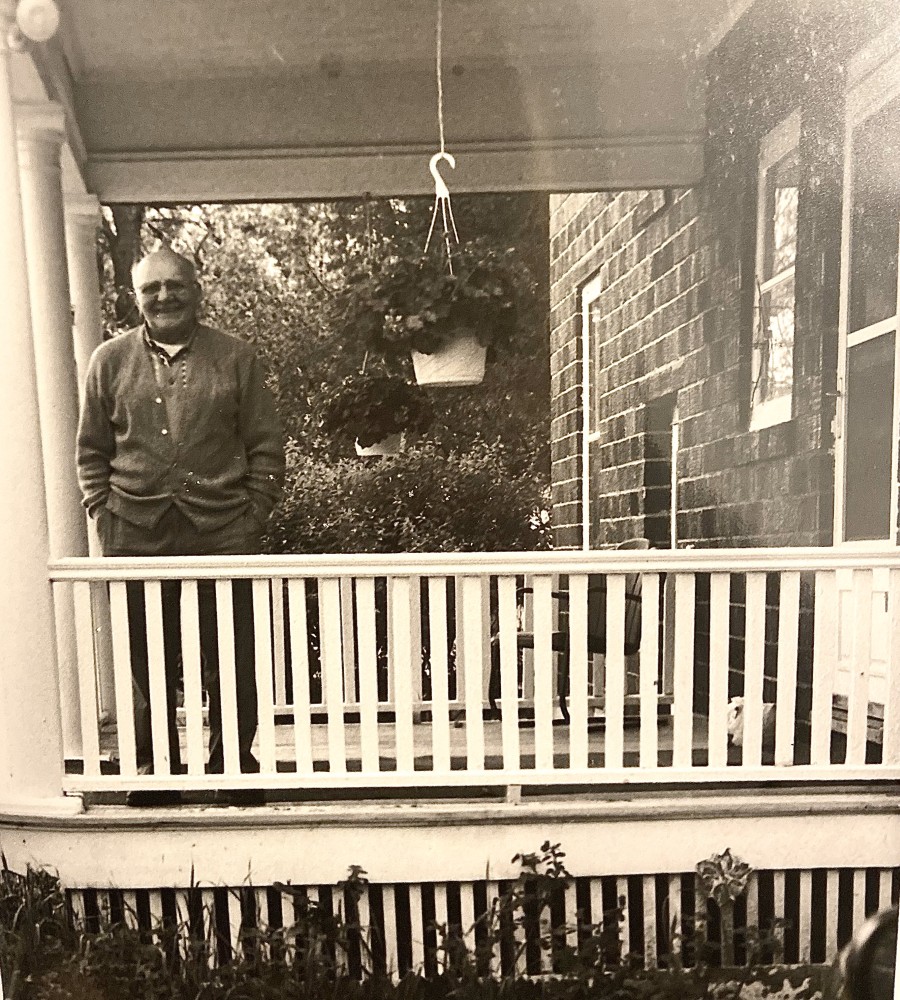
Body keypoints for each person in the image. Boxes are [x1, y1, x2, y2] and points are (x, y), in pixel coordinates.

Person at [76, 245, 285, 806]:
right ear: (135, 296)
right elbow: (91, 451)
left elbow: (265, 446)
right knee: (145, 655)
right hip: (135, 529)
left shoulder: (238, 357)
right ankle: (158, 768)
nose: (164, 296)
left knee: (235, 651)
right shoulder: (108, 361)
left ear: (197, 289)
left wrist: (254, 512)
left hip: (223, 529)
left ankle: (234, 765)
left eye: (175, 285)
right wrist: (103, 510)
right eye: (152, 289)